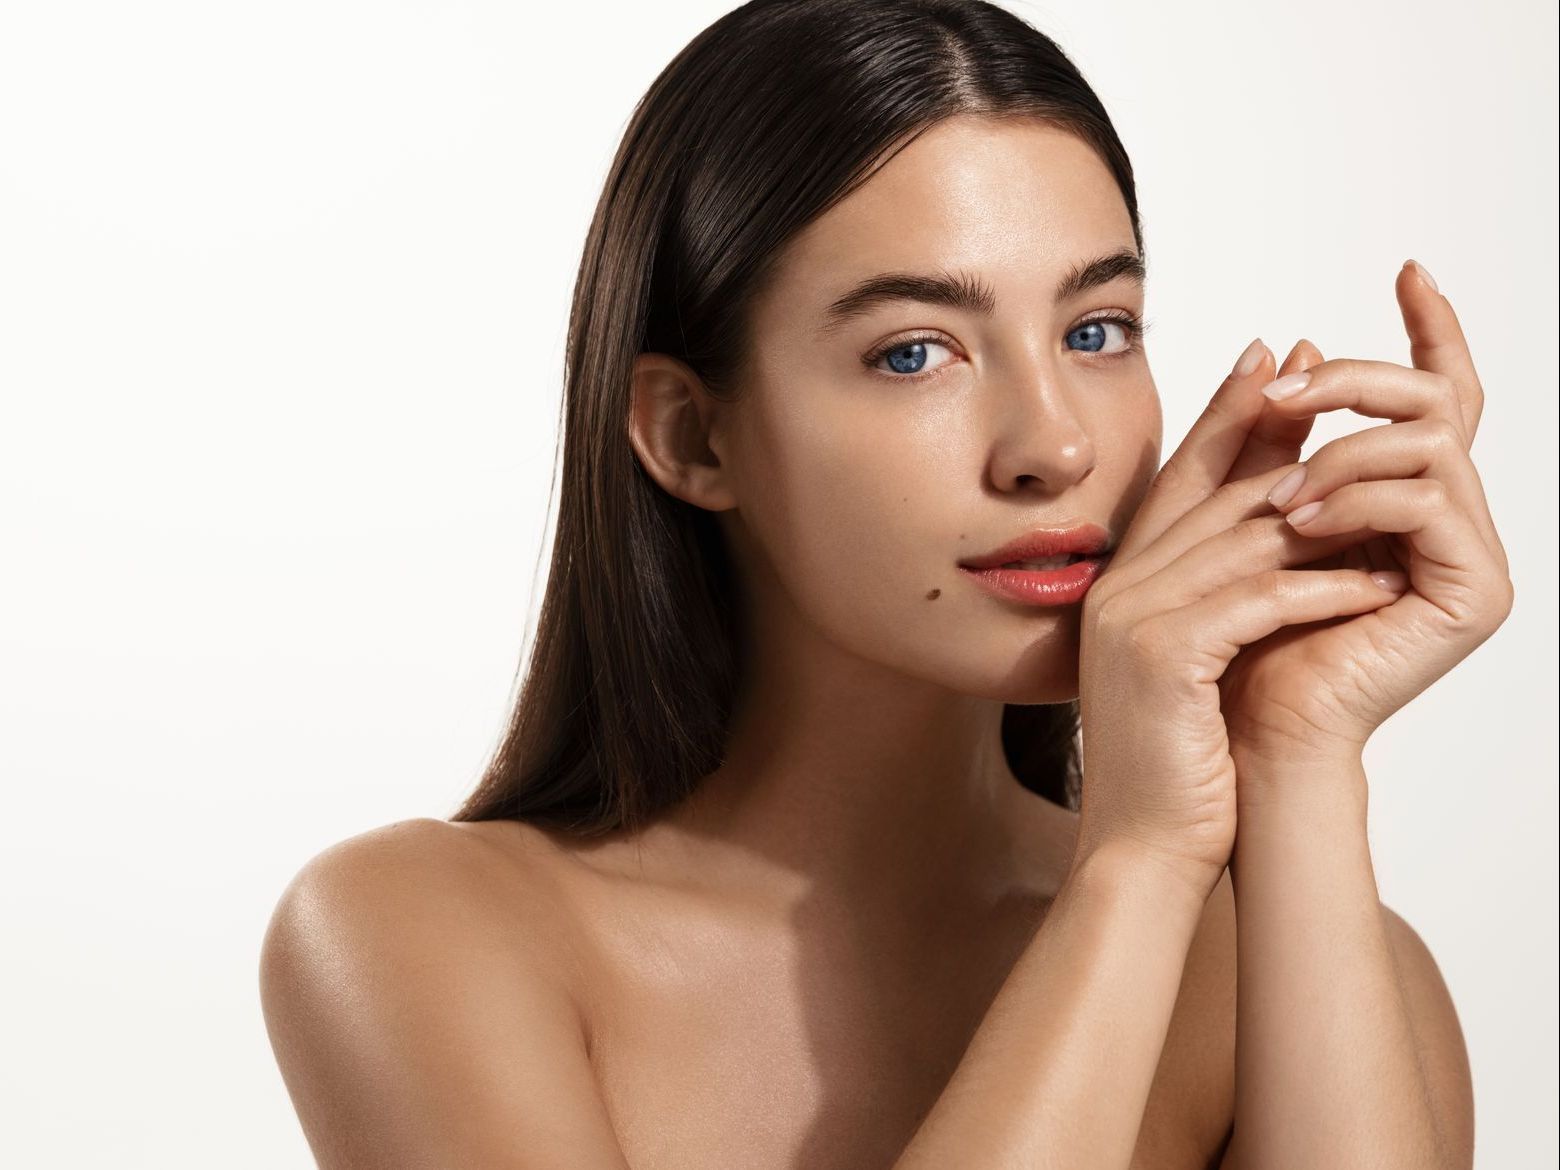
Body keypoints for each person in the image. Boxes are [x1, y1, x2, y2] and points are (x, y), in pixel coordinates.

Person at [258, 1, 1510, 1166]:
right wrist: (1133, 860)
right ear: (695, 437)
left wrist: (1288, 756)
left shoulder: (1316, 965)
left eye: (1097, 331)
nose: (1055, 446)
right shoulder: (421, 937)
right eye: (915, 352)